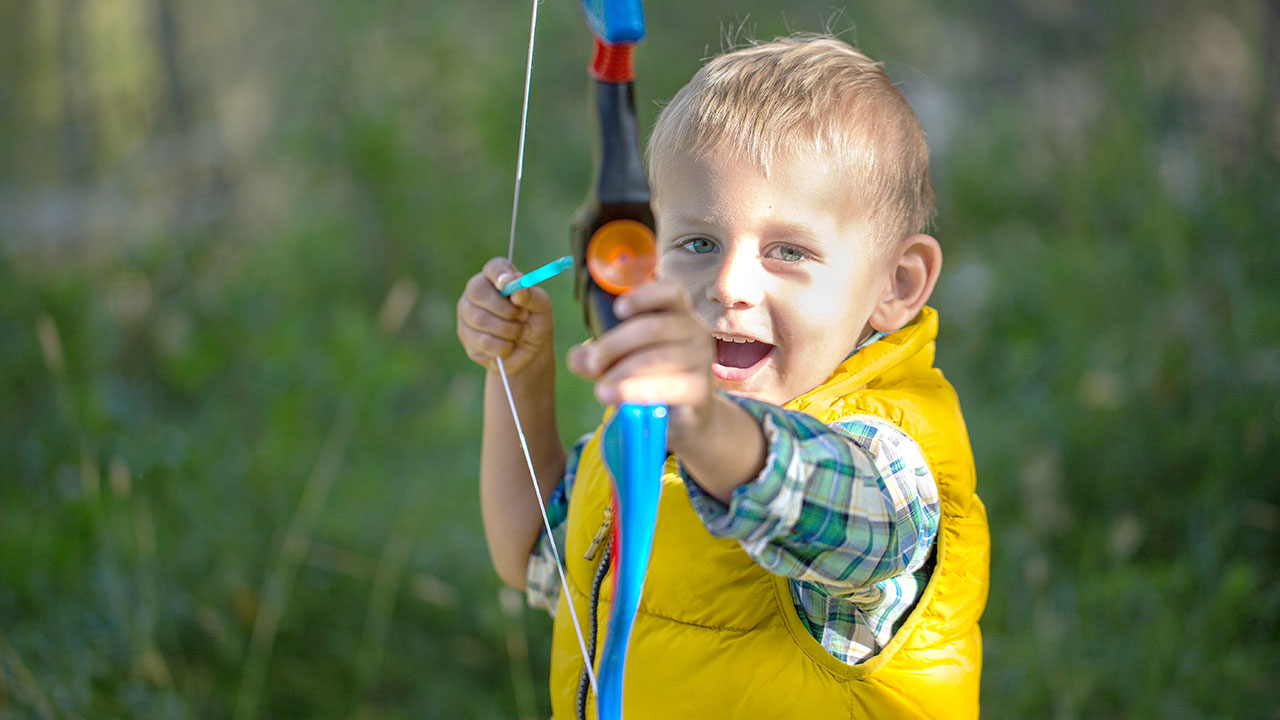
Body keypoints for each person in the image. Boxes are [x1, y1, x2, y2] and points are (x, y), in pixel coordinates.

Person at [456, 35, 988, 719]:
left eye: (788, 251)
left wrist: (706, 421)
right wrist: (518, 374)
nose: (730, 285)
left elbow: (817, 503)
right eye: (698, 243)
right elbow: (531, 551)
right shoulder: (648, 438)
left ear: (898, 283)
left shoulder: (890, 463)